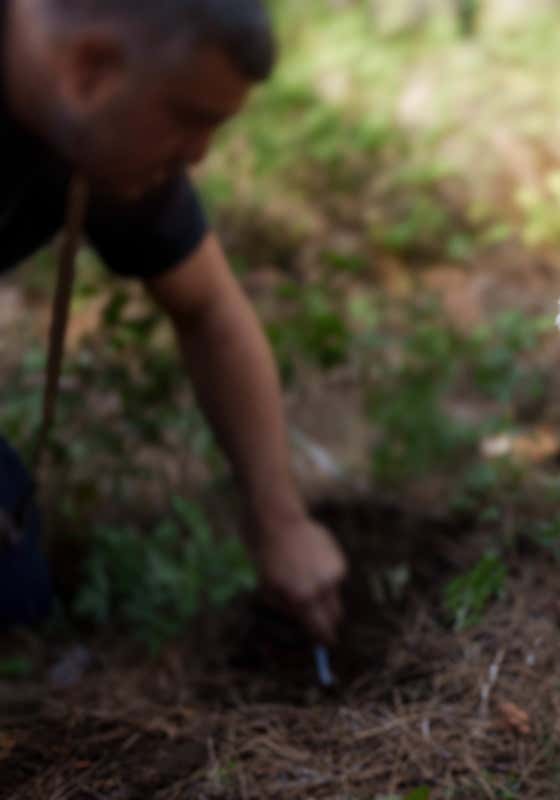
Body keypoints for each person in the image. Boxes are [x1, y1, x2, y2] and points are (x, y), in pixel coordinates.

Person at [0, 0, 345, 643]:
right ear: (88, 68)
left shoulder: (96, 132)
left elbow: (211, 310)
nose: (198, 157)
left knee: (17, 601)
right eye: (188, 119)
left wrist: (281, 523)